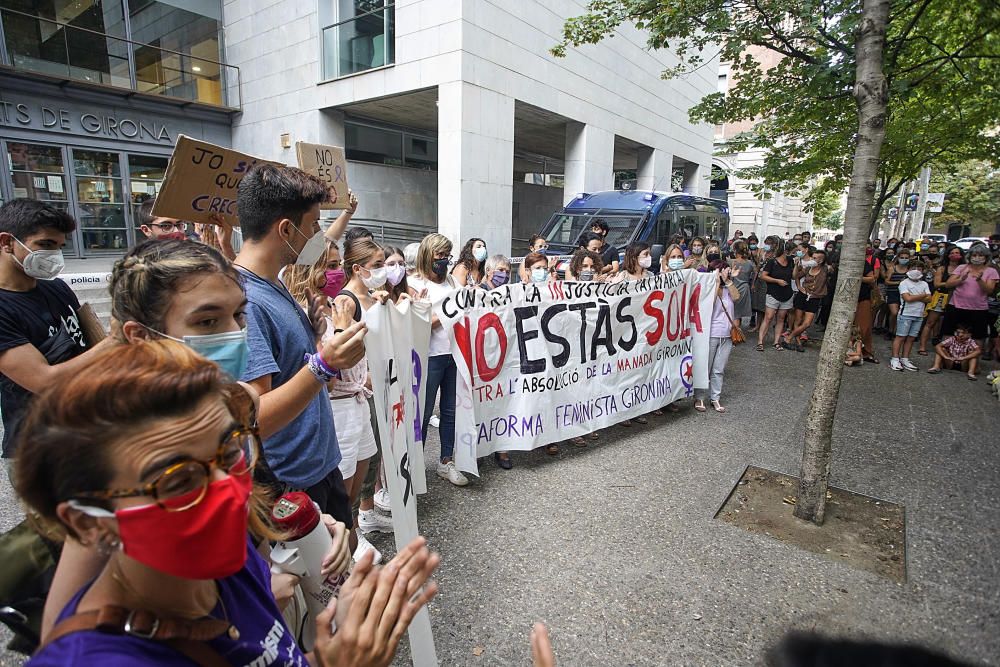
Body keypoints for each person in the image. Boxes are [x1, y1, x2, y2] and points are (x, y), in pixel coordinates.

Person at [16, 341, 439, 666]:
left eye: (230, 450)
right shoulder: (99, 659)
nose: (231, 491)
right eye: (179, 478)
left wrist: (333, 647)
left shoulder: (224, 558)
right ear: (89, 524)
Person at [233, 164, 367, 529]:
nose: (318, 236)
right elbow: (255, 418)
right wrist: (324, 365)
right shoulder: (243, 300)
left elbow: (286, 364)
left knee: (342, 561)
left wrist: (310, 335)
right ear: (286, 230)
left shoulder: (271, 284)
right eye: (313, 226)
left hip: (317, 464)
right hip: (289, 482)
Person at [0, 200, 114, 468]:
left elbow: (88, 343)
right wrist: (116, 341)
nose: (56, 256)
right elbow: (43, 380)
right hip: (41, 446)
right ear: (6, 242)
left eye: (61, 247)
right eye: (46, 245)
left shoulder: (56, 287)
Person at [409, 234, 468, 485]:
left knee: (450, 411)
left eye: (447, 255)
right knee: (421, 414)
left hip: (453, 354)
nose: (444, 260)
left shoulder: (453, 282)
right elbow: (416, 325)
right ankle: (414, 466)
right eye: (439, 256)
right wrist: (449, 312)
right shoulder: (413, 284)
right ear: (427, 256)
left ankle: (446, 460)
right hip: (428, 356)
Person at [694, 260, 741, 413]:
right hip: (711, 334)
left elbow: (736, 297)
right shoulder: (708, 288)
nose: (727, 272)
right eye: (724, 270)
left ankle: (715, 397)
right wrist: (715, 282)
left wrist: (727, 280)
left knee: (719, 369)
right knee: (705, 367)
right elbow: (709, 304)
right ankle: (699, 397)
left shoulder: (728, 288)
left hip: (726, 335)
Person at [939, 243, 998, 349]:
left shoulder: (991, 271)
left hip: (978, 309)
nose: (977, 258)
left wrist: (980, 280)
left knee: (977, 337)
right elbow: (948, 284)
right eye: (974, 255)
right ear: (969, 256)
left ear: (986, 257)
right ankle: (945, 359)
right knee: (948, 332)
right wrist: (961, 279)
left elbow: (989, 290)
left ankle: (972, 362)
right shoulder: (962, 267)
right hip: (956, 306)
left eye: (981, 256)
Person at [918, 245, 962, 356]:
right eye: (952, 253)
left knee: (954, 324)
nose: (954, 255)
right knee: (930, 322)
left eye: (957, 253)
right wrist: (951, 283)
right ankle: (922, 346)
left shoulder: (964, 268)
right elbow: (936, 283)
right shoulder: (942, 268)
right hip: (941, 296)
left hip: (957, 297)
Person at [890, 260, 931, 372]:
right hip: (906, 314)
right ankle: (895, 358)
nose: (916, 270)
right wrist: (922, 295)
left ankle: (905, 358)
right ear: (908, 269)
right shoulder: (904, 283)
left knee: (911, 338)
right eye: (913, 268)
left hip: (919, 314)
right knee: (901, 336)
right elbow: (907, 298)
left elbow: (929, 298)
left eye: (919, 268)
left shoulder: (924, 284)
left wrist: (915, 296)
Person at [785, 248, 828, 351]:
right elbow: (795, 276)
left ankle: (789, 338)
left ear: (820, 261)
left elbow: (831, 270)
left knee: (807, 323)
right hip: (802, 295)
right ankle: (798, 342)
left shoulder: (825, 269)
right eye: (812, 257)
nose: (812, 259)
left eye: (815, 258)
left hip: (814, 298)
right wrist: (799, 286)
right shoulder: (808, 268)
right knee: (798, 320)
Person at [756, 236, 794, 351]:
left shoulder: (791, 261)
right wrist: (777, 281)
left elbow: (794, 276)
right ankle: (760, 341)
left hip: (786, 293)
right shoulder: (772, 262)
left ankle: (776, 341)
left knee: (781, 318)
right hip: (773, 293)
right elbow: (763, 276)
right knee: (769, 317)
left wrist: (799, 266)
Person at [855, 248, 879, 363]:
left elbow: (872, 279)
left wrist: (858, 278)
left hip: (863, 297)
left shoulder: (864, 264)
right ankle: (858, 351)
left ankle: (863, 352)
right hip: (848, 299)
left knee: (863, 326)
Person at [882, 246, 911, 340]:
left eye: (906, 258)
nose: (904, 259)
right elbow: (887, 282)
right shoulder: (892, 269)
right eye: (902, 257)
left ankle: (897, 332)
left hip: (905, 294)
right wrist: (899, 283)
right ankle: (890, 330)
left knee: (902, 314)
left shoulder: (910, 270)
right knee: (894, 313)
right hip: (893, 292)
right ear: (898, 258)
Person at [728, 240, 755, 325]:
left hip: (733, 287)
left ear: (735, 250)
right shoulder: (750, 263)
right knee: (738, 313)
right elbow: (756, 272)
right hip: (745, 288)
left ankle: (735, 332)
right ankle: (738, 331)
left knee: (734, 312)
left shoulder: (731, 262)